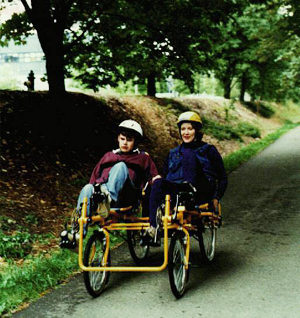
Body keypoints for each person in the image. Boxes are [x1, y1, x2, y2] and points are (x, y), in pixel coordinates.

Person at [60, 119, 160, 248]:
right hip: (102, 191)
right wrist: (92, 193)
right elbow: (94, 178)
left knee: (120, 167)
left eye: (129, 140)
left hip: (127, 196)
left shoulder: (143, 158)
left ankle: (107, 200)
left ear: (135, 142)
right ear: (118, 138)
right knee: (87, 187)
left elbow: (154, 178)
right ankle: (77, 234)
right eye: (122, 138)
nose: (125, 143)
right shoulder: (108, 156)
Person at [142, 111, 228, 245]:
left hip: (201, 189)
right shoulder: (173, 153)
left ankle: (188, 193)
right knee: (158, 182)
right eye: (183, 129)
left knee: (188, 153)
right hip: (178, 191)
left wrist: (217, 197)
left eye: (190, 128)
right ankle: (153, 228)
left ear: (196, 130)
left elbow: (222, 177)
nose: (186, 132)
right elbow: (165, 176)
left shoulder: (208, 150)